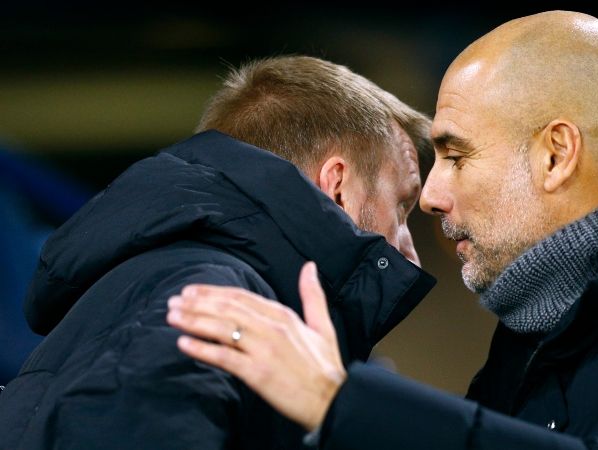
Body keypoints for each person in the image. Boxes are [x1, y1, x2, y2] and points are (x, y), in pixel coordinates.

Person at [167, 11, 598, 449]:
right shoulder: (538, 342)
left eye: (456, 154)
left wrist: (346, 405)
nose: (433, 195)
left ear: (556, 155)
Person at [0, 55, 435, 450]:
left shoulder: (181, 290)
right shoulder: (207, 303)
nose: (408, 253)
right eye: (401, 207)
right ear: (337, 186)